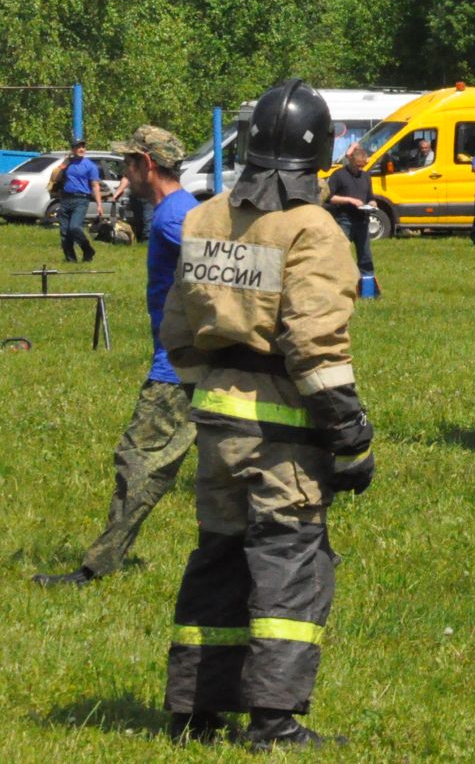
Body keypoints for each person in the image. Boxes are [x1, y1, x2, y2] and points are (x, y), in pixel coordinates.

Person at [159, 79, 373, 748]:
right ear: (320, 152)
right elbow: (314, 347)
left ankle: (196, 708)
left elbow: (177, 332)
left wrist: (211, 395)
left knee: (218, 557)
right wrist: (351, 436)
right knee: (289, 564)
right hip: (282, 430)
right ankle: (275, 722)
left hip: (215, 420)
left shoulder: (205, 217)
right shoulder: (312, 228)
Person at [33, 127, 200, 588]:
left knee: (137, 462)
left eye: (128, 164)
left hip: (179, 370)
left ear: (147, 165)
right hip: (198, 362)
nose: (124, 172)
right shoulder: (185, 210)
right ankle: (307, 550)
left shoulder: (173, 219)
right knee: (239, 468)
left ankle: (94, 569)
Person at [325, 145, 376, 280]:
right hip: (345, 220)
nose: (360, 169)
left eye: (363, 166)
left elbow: (370, 197)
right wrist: (349, 200)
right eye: (358, 166)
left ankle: (367, 285)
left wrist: (372, 203)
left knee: (365, 255)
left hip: (363, 220)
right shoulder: (338, 175)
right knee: (341, 253)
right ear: (351, 161)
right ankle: (340, 281)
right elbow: (329, 197)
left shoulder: (366, 176)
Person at [53, 138, 105, 262]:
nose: (81, 149)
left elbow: (95, 185)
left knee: (74, 227)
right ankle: (71, 260)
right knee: (65, 232)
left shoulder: (90, 165)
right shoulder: (67, 164)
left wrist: (99, 204)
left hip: (81, 200)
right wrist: (63, 164)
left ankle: (87, 249)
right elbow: (54, 178)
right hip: (65, 199)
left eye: (83, 146)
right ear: (73, 149)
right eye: (78, 147)